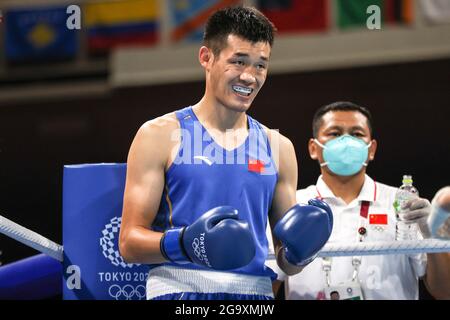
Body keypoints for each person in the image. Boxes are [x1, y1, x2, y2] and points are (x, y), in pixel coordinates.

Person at [118, 6, 333, 300]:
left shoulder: (278, 147)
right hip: (180, 292)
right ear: (207, 57)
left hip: (254, 297)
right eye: (239, 61)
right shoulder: (159, 135)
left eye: (261, 65)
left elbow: (287, 262)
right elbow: (129, 244)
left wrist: (301, 252)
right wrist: (185, 243)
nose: (250, 77)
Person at [274, 101, 450, 300]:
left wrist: (431, 236)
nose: (347, 141)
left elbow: (445, 291)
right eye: (335, 133)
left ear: (371, 148)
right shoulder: (292, 204)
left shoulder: (404, 204)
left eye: (357, 134)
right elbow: (266, 287)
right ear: (313, 148)